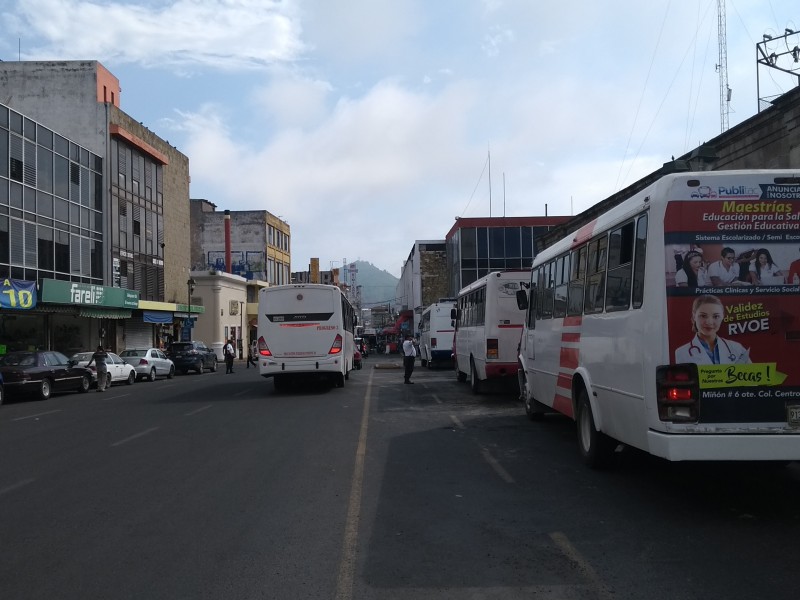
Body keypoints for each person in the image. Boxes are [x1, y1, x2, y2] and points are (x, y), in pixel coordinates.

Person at [674, 295, 751, 365]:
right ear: (694, 316)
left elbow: (752, 378)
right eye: (703, 316)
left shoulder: (737, 348)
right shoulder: (681, 353)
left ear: (722, 317)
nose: (709, 322)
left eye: (716, 316)